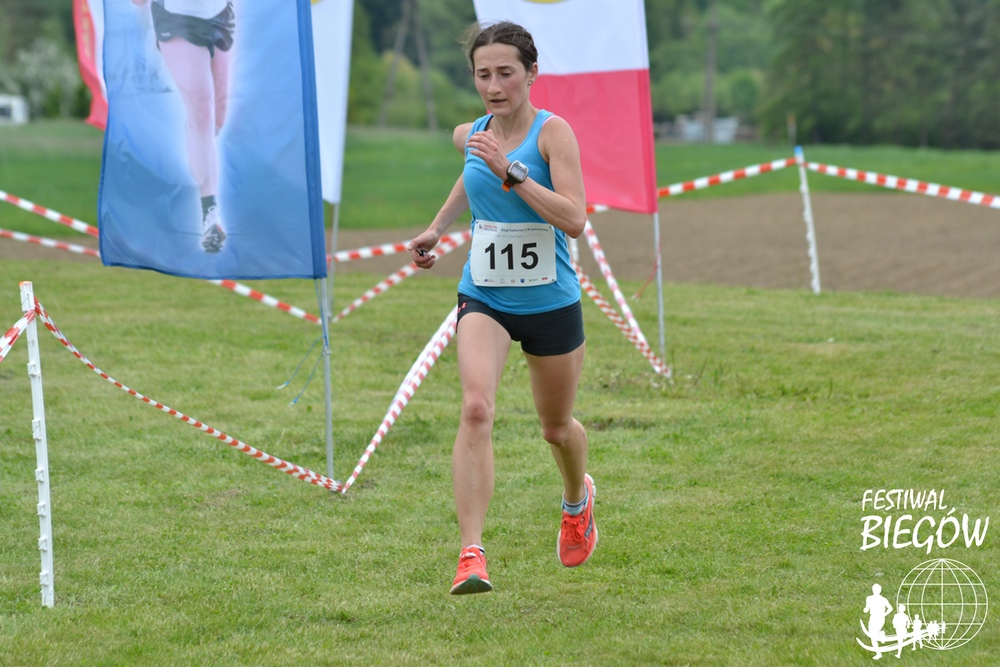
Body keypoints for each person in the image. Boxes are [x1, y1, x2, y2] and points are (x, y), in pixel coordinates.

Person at [407, 21, 596, 595]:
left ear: (531, 74)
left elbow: (574, 219)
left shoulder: (552, 135)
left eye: (505, 73)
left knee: (556, 428)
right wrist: (438, 228)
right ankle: (471, 554)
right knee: (475, 409)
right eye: (483, 74)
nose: (493, 86)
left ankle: (577, 500)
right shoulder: (472, 134)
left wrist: (510, 172)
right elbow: (469, 176)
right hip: (484, 294)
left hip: (550, 301)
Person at [132, 0, 234, 253]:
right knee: (202, 108)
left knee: (219, 114)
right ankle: (210, 214)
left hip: (219, 11)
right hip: (177, 15)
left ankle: (197, 134)